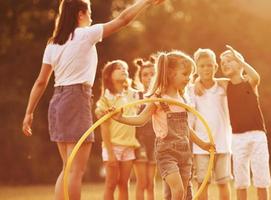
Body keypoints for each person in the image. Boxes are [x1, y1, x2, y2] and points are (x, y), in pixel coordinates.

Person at [21, 0, 164, 199]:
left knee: (67, 166)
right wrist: (145, 2)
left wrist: (29, 112)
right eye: (89, 12)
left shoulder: (53, 43)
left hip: (58, 100)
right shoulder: (85, 34)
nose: (91, 17)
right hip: (76, 99)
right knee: (76, 170)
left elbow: (40, 82)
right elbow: (123, 20)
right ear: (81, 14)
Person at [111, 51, 214, 200]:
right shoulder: (159, 98)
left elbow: (186, 128)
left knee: (183, 194)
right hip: (166, 153)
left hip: (185, 154)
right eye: (185, 74)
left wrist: (203, 144)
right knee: (178, 191)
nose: (188, 78)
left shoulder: (182, 98)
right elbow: (141, 119)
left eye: (190, 75)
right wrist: (120, 118)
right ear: (171, 74)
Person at [219, 45, 271, 200]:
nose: (225, 64)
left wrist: (241, 61)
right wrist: (200, 83)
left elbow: (256, 76)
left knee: (261, 177)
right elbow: (208, 81)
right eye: (223, 63)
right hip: (237, 138)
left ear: (240, 63)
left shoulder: (250, 83)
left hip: (257, 136)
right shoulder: (225, 84)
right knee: (240, 180)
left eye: (230, 60)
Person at [190, 48, 232, 200]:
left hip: (222, 143)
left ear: (215, 67)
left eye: (209, 65)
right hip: (201, 145)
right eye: (201, 66)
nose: (206, 69)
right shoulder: (191, 90)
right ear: (196, 68)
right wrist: (195, 82)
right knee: (202, 183)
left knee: (223, 182)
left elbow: (237, 80)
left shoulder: (223, 87)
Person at [95, 60, 140, 200]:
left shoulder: (132, 94)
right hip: (113, 147)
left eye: (125, 68)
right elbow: (102, 122)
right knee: (110, 184)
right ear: (109, 75)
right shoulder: (107, 97)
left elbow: (144, 91)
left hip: (129, 145)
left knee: (124, 184)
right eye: (119, 68)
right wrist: (110, 153)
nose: (123, 70)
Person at [133, 57, 157, 200]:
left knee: (151, 183)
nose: (149, 77)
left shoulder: (159, 96)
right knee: (141, 182)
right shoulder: (136, 96)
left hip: (154, 140)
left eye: (152, 74)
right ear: (140, 78)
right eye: (145, 74)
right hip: (139, 141)